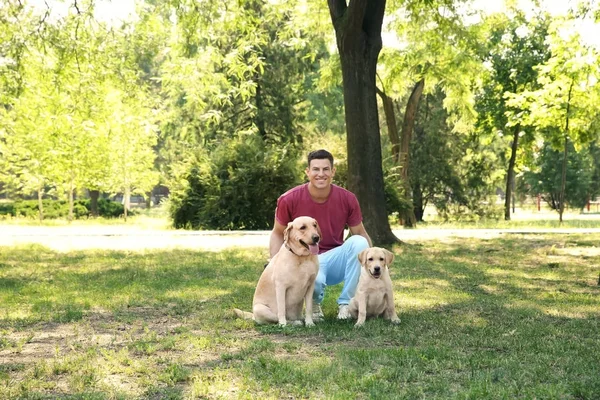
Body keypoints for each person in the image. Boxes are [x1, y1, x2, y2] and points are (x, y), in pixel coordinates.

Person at [269, 149, 372, 320]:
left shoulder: (348, 198)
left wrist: (375, 262)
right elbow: (278, 233)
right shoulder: (289, 199)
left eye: (325, 169)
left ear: (333, 172)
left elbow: (360, 231)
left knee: (360, 242)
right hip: (301, 259)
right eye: (316, 169)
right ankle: (314, 306)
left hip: (333, 259)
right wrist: (273, 263)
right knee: (313, 275)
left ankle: (346, 304)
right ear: (307, 172)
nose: (321, 174)